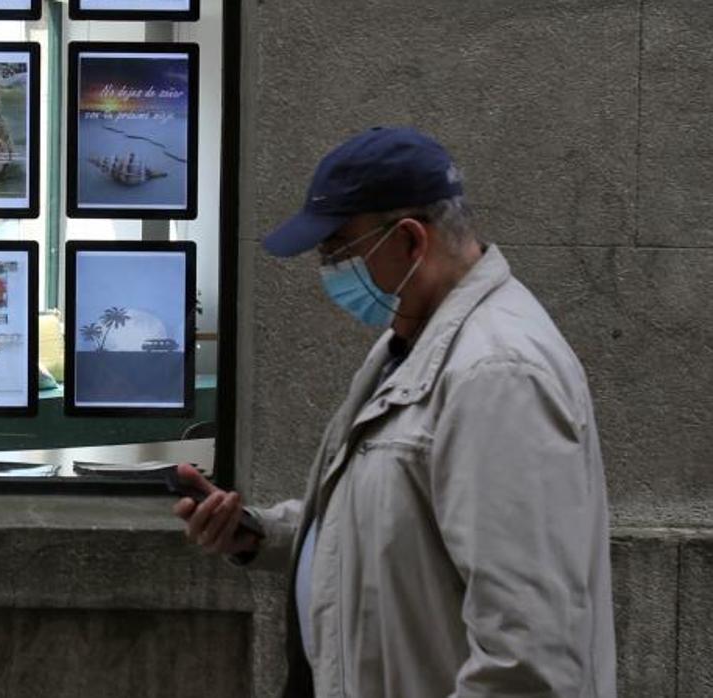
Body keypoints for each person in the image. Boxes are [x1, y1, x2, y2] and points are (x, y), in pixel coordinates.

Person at [173, 126, 616, 697]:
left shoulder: (497, 375)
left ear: (410, 241)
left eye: (339, 248)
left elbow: (528, 657)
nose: (327, 268)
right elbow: (397, 522)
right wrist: (263, 535)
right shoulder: (412, 343)